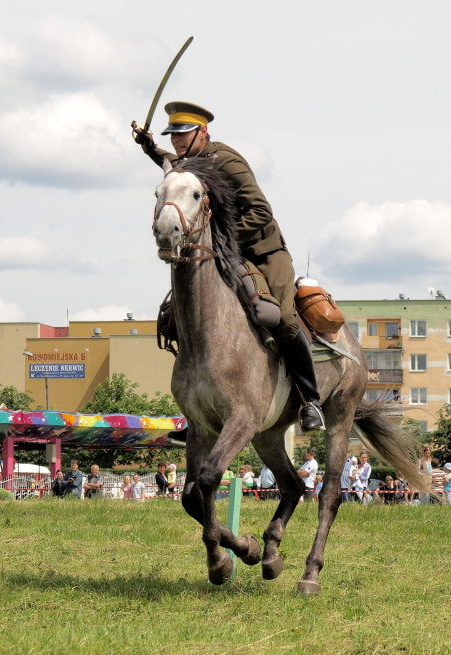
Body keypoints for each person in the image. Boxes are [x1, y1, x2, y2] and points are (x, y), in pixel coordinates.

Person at [134, 101, 325, 432]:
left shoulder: (228, 161)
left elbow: (262, 212)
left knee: (279, 317)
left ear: (202, 133)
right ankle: (198, 412)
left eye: (183, 134)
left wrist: (219, 236)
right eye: (173, 135)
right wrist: (150, 147)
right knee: (179, 316)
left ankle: (311, 401)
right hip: (222, 253)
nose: (177, 141)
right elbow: (171, 164)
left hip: (262, 251)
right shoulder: (190, 162)